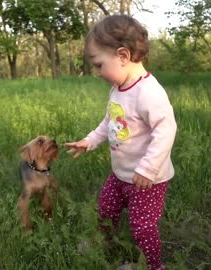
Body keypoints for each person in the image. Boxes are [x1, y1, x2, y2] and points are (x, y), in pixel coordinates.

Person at [64, 15, 177, 270]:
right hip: (121, 174)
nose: (97, 72)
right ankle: (105, 243)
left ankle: (152, 266)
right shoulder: (118, 89)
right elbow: (110, 123)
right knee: (105, 209)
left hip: (147, 179)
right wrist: (89, 141)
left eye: (99, 64)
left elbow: (166, 129)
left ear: (123, 56)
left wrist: (148, 169)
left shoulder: (148, 92)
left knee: (142, 226)